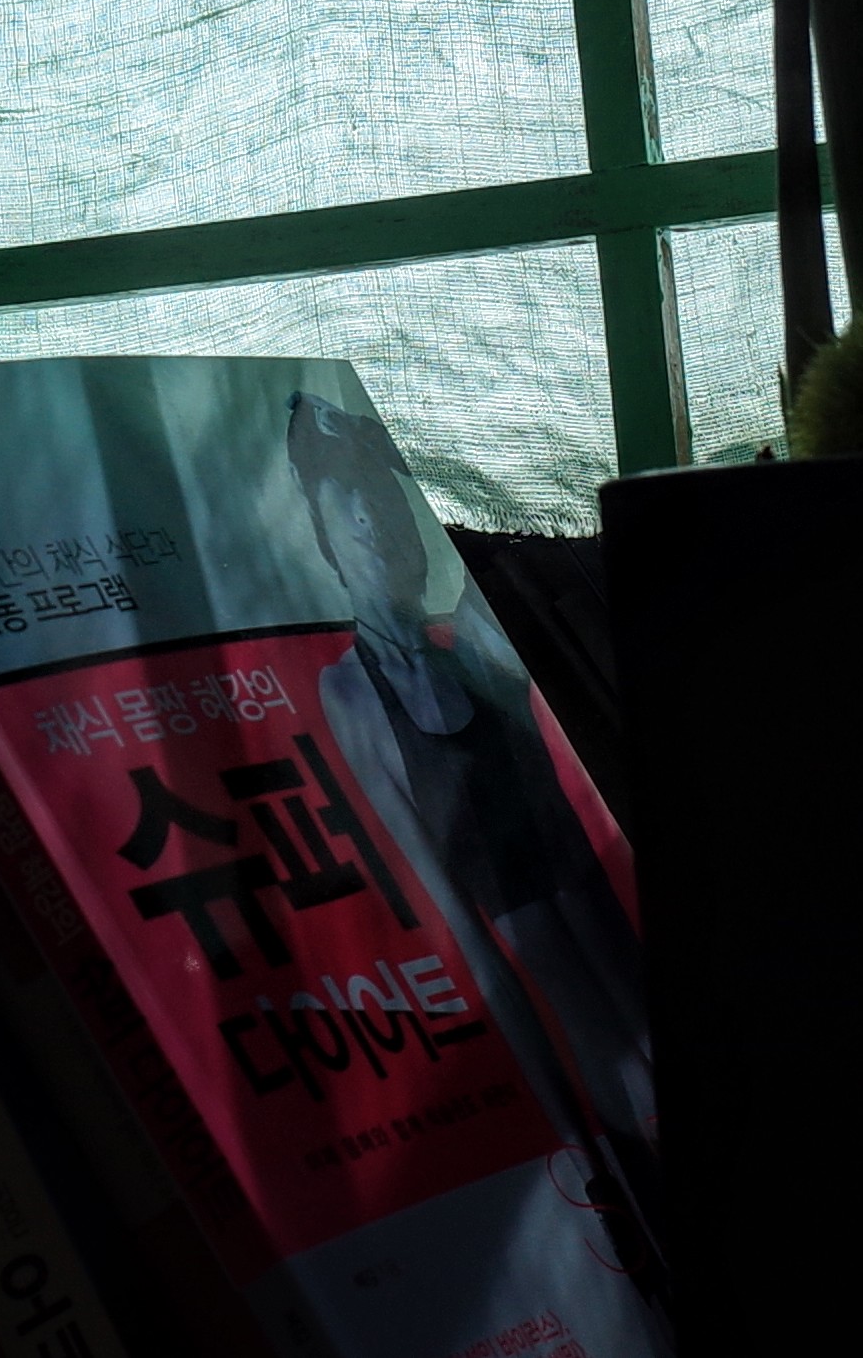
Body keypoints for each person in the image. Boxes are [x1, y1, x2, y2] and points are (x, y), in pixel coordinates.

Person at [282, 390, 660, 1214]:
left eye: (384, 496)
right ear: (324, 536)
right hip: (583, 1038)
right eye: (349, 503)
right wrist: (569, 1131)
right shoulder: (353, 690)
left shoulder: (477, 645)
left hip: (628, 965)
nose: (376, 519)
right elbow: (458, 920)